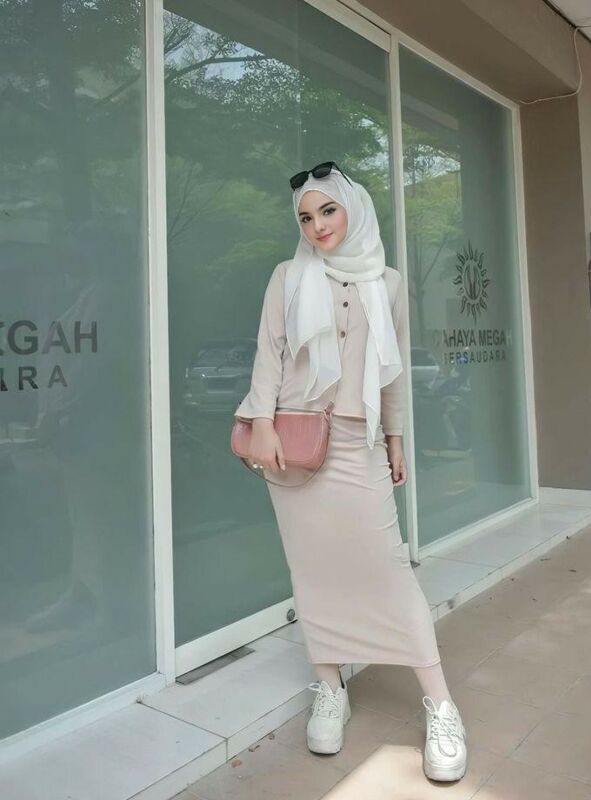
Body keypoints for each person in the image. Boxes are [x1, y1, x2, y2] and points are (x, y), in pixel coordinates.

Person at [233, 162, 467, 782]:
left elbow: (391, 371)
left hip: (358, 441)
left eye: (327, 210)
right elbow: (269, 353)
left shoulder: (387, 282)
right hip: (293, 442)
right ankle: (330, 687)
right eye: (306, 217)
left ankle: (442, 705)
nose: (317, 226)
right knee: (311, 569)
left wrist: (395, 438)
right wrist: (261, 422)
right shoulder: (287, 276)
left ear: (352, 208)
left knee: (388, 568)